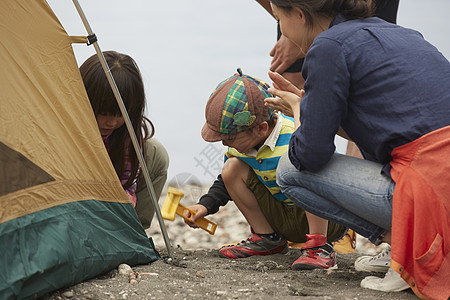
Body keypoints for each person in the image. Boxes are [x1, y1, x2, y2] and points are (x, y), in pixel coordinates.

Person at [264, 0, 450, 299]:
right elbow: (392, 125)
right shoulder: (401, 33)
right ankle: (405, 247)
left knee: (288, 170)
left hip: (430, 188)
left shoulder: (327, 47)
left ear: (299, 15)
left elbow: (309, 156)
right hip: (440, 174)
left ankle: (409, 253)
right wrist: (312, 108)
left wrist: (299, 111)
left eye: (279, 18)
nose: (282, 29)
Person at [184, 68, 346, 270]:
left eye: (230, 137)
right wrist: (205, 205)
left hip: (327, 218)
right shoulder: (240, 147)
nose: (226, 144)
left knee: (306, 163)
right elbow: (224, 183)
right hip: (284, 214)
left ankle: (319, 246)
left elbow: (324, 171)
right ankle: (267, 239)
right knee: (231, 168)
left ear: (261, 128)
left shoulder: (292, 135)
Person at [79, 51, 169, 229]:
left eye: (121, 114)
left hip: (113, 201)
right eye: (103, 113)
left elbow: (126, 181)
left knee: (157, 154)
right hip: (78, 200)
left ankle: (133, 230)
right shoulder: (67, 128)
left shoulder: (126, 135)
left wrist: (123, 205)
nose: (111, 122)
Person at [255, 0, 400, 90]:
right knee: (293, 89)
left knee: (365, 82)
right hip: (302, 12)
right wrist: (290, 20)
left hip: (371, 9)